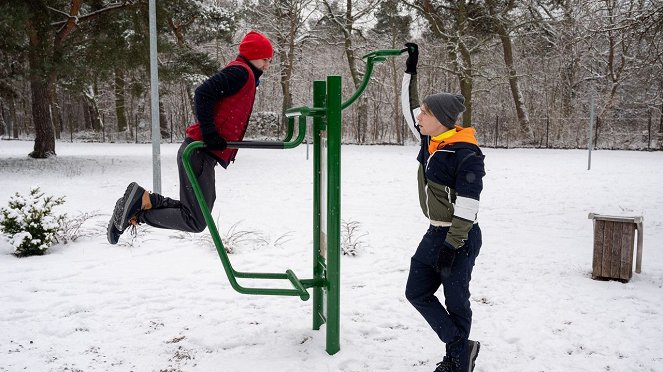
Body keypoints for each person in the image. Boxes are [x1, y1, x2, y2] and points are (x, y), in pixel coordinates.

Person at [107, 31, 274, 244]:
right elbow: (203, 93)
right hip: (199, 152)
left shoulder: (245, 75)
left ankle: (145, 200)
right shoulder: (240, 73)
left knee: (194, 212)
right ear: (251, 55)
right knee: (196, 220)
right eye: (264, 59)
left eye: (269, 60)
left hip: (201, 154)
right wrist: (210, 133)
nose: (267, 65)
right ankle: (137, 213)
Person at [401, 43, 485, 372]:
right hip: (434, 232)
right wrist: (411, 71)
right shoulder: (432, 142)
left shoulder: (465, 153)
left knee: (455, 298)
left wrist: (453, 244)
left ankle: (456, 361)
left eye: (426, 113)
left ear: (442, 120)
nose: (420, 117)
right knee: (417, 291)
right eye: (422, 113)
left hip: (459, 237)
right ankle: (461, 348)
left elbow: (468, 203)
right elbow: (408, 109)